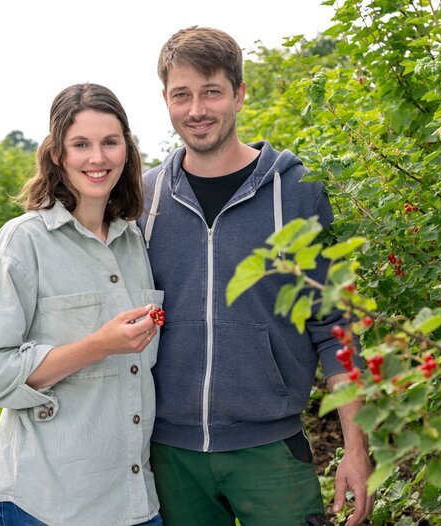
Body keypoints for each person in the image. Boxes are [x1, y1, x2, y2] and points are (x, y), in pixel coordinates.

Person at [138, 26, 374, 526]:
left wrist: (356, 448)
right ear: (165, 100)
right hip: (169, 456)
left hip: (270, 451)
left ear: (240, 94)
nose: (196, 109)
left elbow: (335, 328)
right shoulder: (145, 201)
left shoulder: (299, 192)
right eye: (182, 95)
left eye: (212, 92)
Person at [0, 83, 164, 526]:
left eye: (111, 142)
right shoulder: (22, 243)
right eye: (81, 145)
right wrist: (99, 344)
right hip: (46, 503)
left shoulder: (137, 242)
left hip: (134, 502)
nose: (98, 158)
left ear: (127, 151)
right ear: (57, 154)